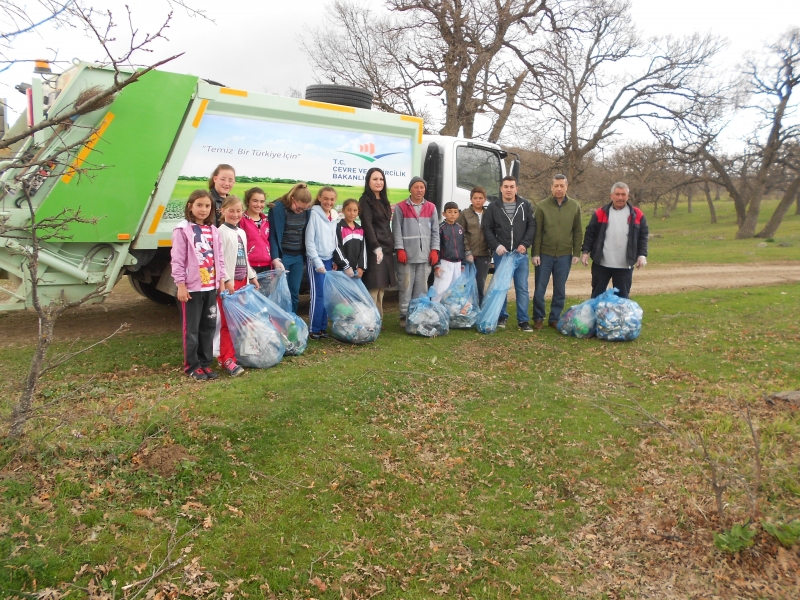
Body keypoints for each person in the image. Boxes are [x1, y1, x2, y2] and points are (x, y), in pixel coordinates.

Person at [171, 190, 227, 381]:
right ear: (190, 206)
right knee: (192, 329)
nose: (203, 210)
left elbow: (219, 259)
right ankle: (192, 366)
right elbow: (177, 260)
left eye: (207, 206)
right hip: (192, 289)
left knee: (208, 327)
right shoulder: (182, 229)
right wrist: (181, 285)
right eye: (199, 205)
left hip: (210, 288)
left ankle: (205, 363)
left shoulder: (213, 230)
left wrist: (221, 282)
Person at [481, 175, 536, 331]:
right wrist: (496, 246)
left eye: (512, 187)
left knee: (522, 287)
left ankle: (523, 320)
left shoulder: (525, 205)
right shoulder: (493, 207)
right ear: (501, 188)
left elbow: (532, 226)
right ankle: (502, 316)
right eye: (506, 186)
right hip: (502, 254)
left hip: (520, 254)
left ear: (516, 189)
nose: (509, 189)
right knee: (501, 286)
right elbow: (487, 228)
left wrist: (525, 244)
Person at [532, 174, 583, 330]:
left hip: (564, 255)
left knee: (560, 289)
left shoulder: (574, 206)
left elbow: (577, 231)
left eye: (562, 185)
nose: (559, 188)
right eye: (556, 186)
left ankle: (554, 318)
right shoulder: (542, 206)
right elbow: (537, 232)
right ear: (551, 187)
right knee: (540, 289)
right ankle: (538, 318)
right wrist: (535, 253)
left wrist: (576, 253)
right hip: (545, 255)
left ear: (567, 187)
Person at [581, 182, 648, 299]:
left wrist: (642, 255)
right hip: (601, 264)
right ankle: (596, 317)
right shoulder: (600, 213)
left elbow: (643, 236)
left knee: (622, 299)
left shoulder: (637, 215)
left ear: (628, 196)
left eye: (623, 194)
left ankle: (620, 318)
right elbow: (590, 233)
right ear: (611, 196)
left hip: (624, 265)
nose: (620, 197)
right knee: (597, 296)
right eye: (617, 194)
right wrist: (585, 251)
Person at [217, 196, 260, 377]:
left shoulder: (241, 232)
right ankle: (226, 358)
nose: (235, 214)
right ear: (223, 211)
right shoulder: (220, 232)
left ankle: (237, 354)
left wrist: (252, 276)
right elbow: (220, 261)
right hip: (229, 285)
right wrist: (227, 280)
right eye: (231, 210)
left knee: (241, 321)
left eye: (238, 211)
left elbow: (244, 259)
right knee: (227, 323)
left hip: (242, 282)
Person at [392, 176, 440, 325]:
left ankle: (418, 316)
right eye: (416, 187)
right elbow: (396, 231)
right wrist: (400, 249)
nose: (419, 190)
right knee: (405, 287)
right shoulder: (400, 207)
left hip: (425, 256)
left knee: (421, 288)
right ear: (410, 189)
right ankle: (404, 316)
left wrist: (434, 250)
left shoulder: (431, 207)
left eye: (422, 187)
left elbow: (435, 232)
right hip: (406, 256)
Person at [306, 186, 349, 339]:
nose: (328, 202)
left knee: (326, 295)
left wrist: (334, 260)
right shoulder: (314, 214)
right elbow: (309, 241)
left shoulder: (334, 215)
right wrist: (317, 262)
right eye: (325, 198)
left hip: (329, 259)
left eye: (332, 199)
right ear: (319, 198)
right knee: (317, 295)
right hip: (316, 260)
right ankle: (314, 328)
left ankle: (323, 328)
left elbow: (334, 240)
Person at [268, 182, 312, 313]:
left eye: (304, 209)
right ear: (292, 199)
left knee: (294, 290)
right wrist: (276, 258)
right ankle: (278, 320)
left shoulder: (306, 210)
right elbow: (273, 235)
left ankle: (292, 320)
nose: (300, 212)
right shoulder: (277, 209)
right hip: (283, 256)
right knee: (280, 291)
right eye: (299, 208)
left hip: (298, 257)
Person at [359, 168, 396, 316]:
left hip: (386, 248)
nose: (378, 182)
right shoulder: (365, 200)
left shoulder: (384, 200)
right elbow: (367, 225)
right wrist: (376, 247)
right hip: (374, 248)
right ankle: (370, 319)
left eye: (381, 179)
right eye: (375, 179)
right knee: (373, 286)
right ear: (368, 181)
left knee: (381, 287)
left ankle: (378, 317)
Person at [456, 186, 491, 305]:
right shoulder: (465, 214)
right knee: (467, 283)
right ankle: (467, 309)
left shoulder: (488, 214)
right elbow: (461, 233)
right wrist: (467, 251)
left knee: (480, 282)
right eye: (475, 198)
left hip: (484, 254)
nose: (478, 200)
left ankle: (479, 307)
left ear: (485, 199)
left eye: (481, 198)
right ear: (471, 199)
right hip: (468, 255)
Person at [431, 201, 465, 302]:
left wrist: (463, 263)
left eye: (455, 212)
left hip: (457, 263)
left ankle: (452, 311)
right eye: (450, 212)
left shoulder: (460, 228)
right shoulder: (440, 228)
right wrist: (437, 265)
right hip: (445, 262)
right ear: (444, 214)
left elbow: (461, 246)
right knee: (440, 288)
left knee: (456, 289)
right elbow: (437, 247)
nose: (453, 214)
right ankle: (434, 310)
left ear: (458, 214)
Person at [239, 187, 272, 274]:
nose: (259, 204)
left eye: (262, 201)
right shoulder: (241, 220)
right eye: (255, 201)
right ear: (247, 202)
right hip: (248, 264)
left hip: (266, 265)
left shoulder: (267, 220)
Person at [333, 199, 367, 279]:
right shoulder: (338, 227)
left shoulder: (360, 230)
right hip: (342, 270)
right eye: (349, 210)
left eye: (355, 210)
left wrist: (361, 267)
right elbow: (337, 248)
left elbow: (363, 250)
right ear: (343, 210)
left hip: (356, 272)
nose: (352, 213)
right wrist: (346, 266)